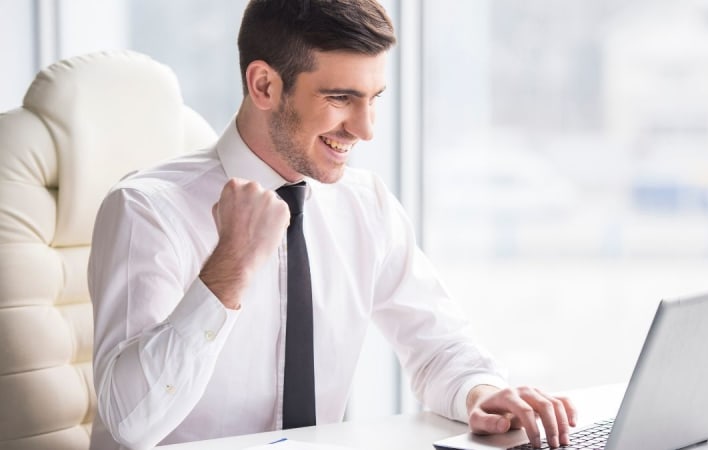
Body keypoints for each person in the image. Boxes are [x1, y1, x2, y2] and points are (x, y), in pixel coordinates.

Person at [88, 1, 577, 449]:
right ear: (264, 85)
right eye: (341, 98)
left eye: (373, 98)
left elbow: (440, 347)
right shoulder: (147, 209)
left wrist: (481, 392)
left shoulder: (366, 205)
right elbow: (131, 423)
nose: (365, 129)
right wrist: (228, 268)